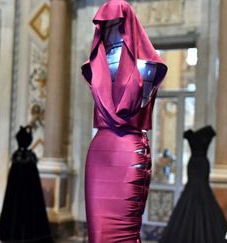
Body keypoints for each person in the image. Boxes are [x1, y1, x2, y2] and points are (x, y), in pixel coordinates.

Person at [81, 0, 167, 242]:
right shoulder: (92, 66)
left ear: (129, 24)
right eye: (105, 25)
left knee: (125, 233)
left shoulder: (149, 65)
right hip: (100, 153)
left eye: (116, 24)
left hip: (129, 150)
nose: (110, 30)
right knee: (97, 234)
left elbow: (129, 104)